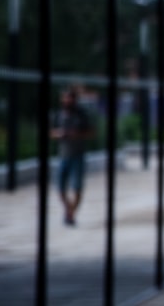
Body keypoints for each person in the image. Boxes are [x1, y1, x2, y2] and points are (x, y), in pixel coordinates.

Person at [51, 86, 93, 226]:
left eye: (70, 97)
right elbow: (51, 132)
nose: (68, 100)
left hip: (78, 155)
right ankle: (69, 210)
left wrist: (77, 134)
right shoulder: (58, 114)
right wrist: (59, 133)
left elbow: (91, 132)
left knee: (77, 188)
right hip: (63, 155)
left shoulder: (81, 114)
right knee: (60, 188)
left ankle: (70, 214)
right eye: (65, 97)